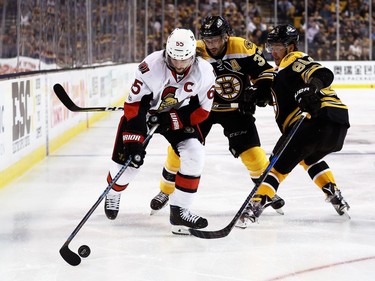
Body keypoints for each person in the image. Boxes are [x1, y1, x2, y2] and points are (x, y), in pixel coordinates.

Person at [149, 16, 285, 218]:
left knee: (254, 155)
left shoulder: (242, 47)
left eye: (215, 39)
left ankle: (265, 191)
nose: (210, 44)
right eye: (207, 39)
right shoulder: (195, 50)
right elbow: (176, 75)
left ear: (226, 36)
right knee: (179, 151)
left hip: (236, 110)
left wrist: (257, 92)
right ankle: (165, 190)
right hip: (201, 109)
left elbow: (265, 72)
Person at [104, 28, 216, 235]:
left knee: (195, 153)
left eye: (185, 60)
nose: (180, 65)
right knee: (130, 165)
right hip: (144, 116)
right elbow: (134, 107)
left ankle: (180, 210)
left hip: (178, 118)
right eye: (174, 59)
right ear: (167, 52)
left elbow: (203, 110)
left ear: (193, 54)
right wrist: (134, 141)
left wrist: (172, 119)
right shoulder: (150, 67)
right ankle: (114, 191)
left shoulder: (205, 72)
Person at [238, 24, 350, 226]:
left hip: (316, 118)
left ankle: (254, 207)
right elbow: (268, 94)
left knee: (276, 166)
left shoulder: (294, 58)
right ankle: (333, 193)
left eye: (278, 47)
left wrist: (312, 88)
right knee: (308, 158)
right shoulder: (279, 73)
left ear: (290, 46)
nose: (273, 51)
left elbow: (323, 74)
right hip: (337, 125)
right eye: (271, 46)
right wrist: (254, 96)